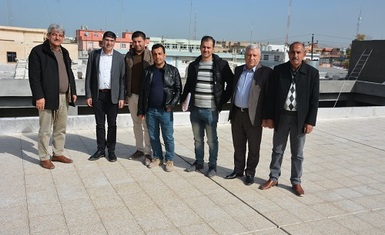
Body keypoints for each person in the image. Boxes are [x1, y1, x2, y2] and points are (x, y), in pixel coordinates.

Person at [259, 41, 320, 197]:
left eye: (299, 52)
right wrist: (269, 117)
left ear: (304, 54)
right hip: (282, 117)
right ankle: (273, 178)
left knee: (297, 153)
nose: (295, 55)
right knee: (277, 150)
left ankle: (296, 181)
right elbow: (270, 96)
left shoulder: (312, 73)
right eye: (293, 52)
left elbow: (314, 100)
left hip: (300, 119)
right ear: (288, 53)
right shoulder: (278, 71)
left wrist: (310, 121)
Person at [181, 35, 233, 177]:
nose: (206, 49)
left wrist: (222, 102)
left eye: (208, 47)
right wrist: (183, 100)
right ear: (200, 47)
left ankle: (212, 166)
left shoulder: (221, 65)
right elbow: (188, 85)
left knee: (211, 140)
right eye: (203, 47)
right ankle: (198, 163)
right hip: (195, 109)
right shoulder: (193, 65)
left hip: (211, 110)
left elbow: (231, 84)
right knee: (198, 139)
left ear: (213, 49)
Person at [28, 23, 77, 169]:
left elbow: (69, 73)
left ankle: (57, 153)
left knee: (60, 127)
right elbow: (34, 77)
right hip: (46, 97)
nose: (57, 37)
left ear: (63, 37)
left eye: (60, 35)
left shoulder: (64, 52)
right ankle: (44, 157)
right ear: (48, 35)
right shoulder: (38, 52)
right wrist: (39, 96)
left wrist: (73, 91)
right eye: (54, 34)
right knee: (45, 129)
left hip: (64, 96)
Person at [225, 44, 272, 185]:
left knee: (253, 147)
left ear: (259, 56)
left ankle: (250, 173)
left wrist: (266, 117)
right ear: (245, 56)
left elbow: (269, 97)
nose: (251, 58)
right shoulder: (238, 70)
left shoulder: (265, 72)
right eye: (249, 55)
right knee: (238, 145)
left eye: (254, 55)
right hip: (237, 114)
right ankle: (238, 170)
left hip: (254, 117)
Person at [138, 44, 182, 172]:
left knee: (168, 136)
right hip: (151, 110)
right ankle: (157, 157)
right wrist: (141, 110)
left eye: (160, 54)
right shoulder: (148, 71)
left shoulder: (173, 71)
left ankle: (169, 159)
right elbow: (143, 92)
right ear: (152, 56)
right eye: (155, 54)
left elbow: (178, 90)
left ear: (164, 55)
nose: (157, 56)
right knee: (153, 136)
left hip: (165, 110)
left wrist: (171, 105)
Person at [85, 31, 125, 162]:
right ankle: (101, 149)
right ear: (102, 41)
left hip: (113, 96)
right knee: (100, 124)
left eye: (112, 41)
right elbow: (89, 77)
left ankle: (111, 151)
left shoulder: (119, 57)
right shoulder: (94, 55)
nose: (109, 43)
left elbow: (122, 79)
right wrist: (89, 95)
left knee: (112, 124)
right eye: (107, 40)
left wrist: (121, 97)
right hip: (98, 95)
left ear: (115, 42)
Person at [125, 31, 153, 164]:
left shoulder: (150, 56)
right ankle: (139, 149)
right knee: (136, 124)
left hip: (146, 97)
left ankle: (148, 152)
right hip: (132, 96)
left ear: (145, 42)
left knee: (147, 125)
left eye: (139, 41)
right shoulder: (128, 56)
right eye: (134, 42)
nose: (137, 44)